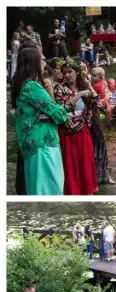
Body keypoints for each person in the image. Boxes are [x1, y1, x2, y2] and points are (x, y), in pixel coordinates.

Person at [12, 47, 68, 195]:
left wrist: (46, 114)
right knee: (49, 190)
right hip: (43, 146)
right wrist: (54, 113)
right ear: (34, 62)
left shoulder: (23, 85)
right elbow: (60, 114)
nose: (44, 62)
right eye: (42, 59)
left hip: (34, 146)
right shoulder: (32, 87)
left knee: (39, 188)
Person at [54, 57, 98, 195]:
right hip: (67, 131)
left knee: (84, 162)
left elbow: (95, 100)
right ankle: (73, 191)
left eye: (70, 71)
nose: (67, 75)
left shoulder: (82, 85)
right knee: (70, 164)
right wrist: (78, 95)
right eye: (64, 72)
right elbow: (61, 109)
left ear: (77, 72)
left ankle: (86, 190)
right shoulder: (59, 88)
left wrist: (88, 85)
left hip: (83, 130)